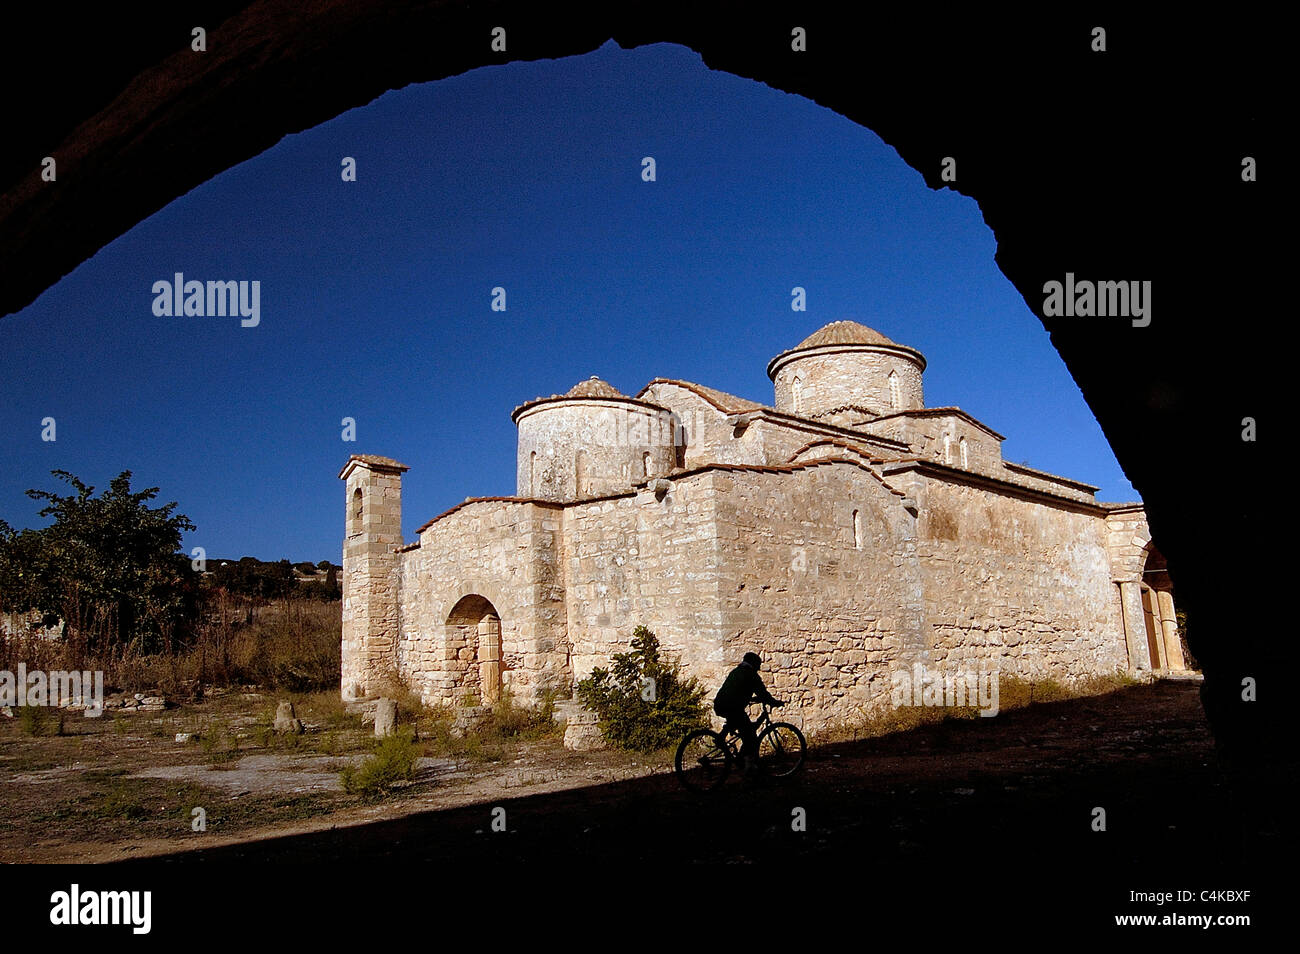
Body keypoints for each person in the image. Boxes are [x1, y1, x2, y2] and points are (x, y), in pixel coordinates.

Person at [713, 652, 784, 774]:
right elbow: (762, 693)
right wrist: (774, 702)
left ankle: (724, 739)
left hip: (721, 704)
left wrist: (753, 699)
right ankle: (747, 766)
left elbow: (737, 690)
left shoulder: (737, 671)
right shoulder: (751, 675)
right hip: (732, 706)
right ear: (754, 664)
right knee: (750, 735)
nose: (759, 668)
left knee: (740, 726)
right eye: (758, 665)